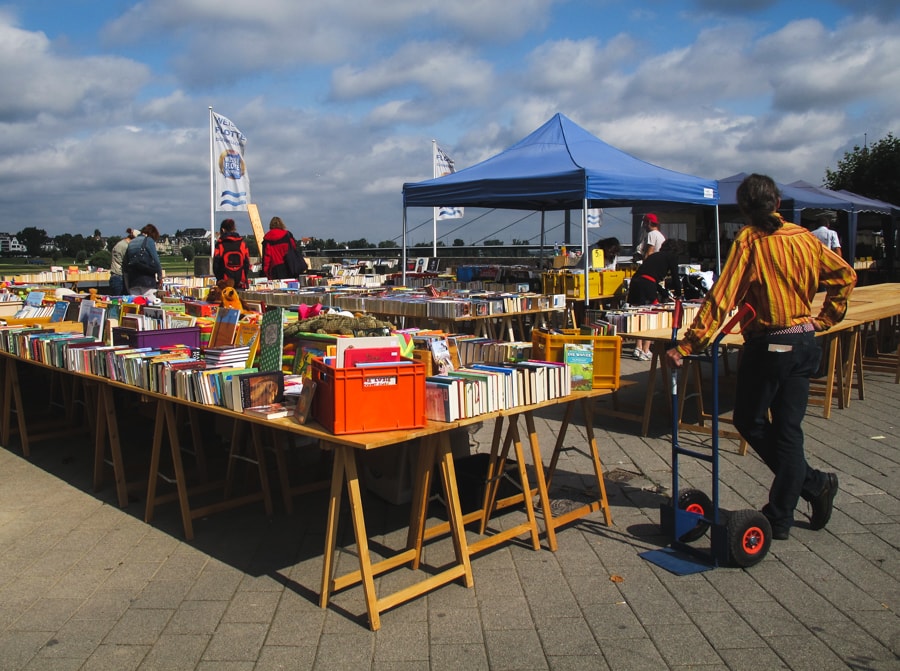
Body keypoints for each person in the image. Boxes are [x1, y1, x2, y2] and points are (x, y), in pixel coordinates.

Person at [666, 173, 857, 540]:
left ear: (743, 210)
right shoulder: (805, 239)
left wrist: (689, 345)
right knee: (788, 431)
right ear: (778, 203)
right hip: (803, 342)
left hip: (772, 344)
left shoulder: (750, 241)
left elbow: (722, 297)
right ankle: (794, 504)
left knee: (750, 420)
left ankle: (809, 488)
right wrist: (825, 318)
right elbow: (845, 276)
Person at [627, 239, 681, 360]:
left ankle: (638, 347)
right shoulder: (671, 257)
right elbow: (675, 277)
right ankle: (646, 350)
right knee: (651, 316)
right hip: (647, 284)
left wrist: (664, 293)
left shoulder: (654, 256)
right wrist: (679, 295)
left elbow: (650, 277)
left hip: (635, 283)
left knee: (638, 315)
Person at [123, 224, 163, 295]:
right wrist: (160, 277)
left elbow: (125, 263)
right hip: (147, 280)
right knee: (148, 304)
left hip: (133, 280)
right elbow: (156, 260)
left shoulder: (131, 242)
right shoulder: (149, 240)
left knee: (136, 303)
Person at [212, 218, 251, 289]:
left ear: (223, 230)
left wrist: (219, 279)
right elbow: (247, 263)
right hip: (240, 280)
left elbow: (216, 265)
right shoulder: (242, 243)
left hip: (225, 282)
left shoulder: (220, 245)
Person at [109, 227, 135, 295]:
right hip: (119, 277)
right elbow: (128, 262)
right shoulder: (124, 246)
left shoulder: (121, 244)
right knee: (118, 301)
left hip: (117, 276)